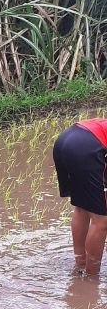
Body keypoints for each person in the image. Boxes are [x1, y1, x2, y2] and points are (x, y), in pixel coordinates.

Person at [53, 118, 107, 276]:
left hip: (65, 139)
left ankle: (80, 265)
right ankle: (92, 278)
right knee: (102, 221)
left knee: (82, 208)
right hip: (87, 146)